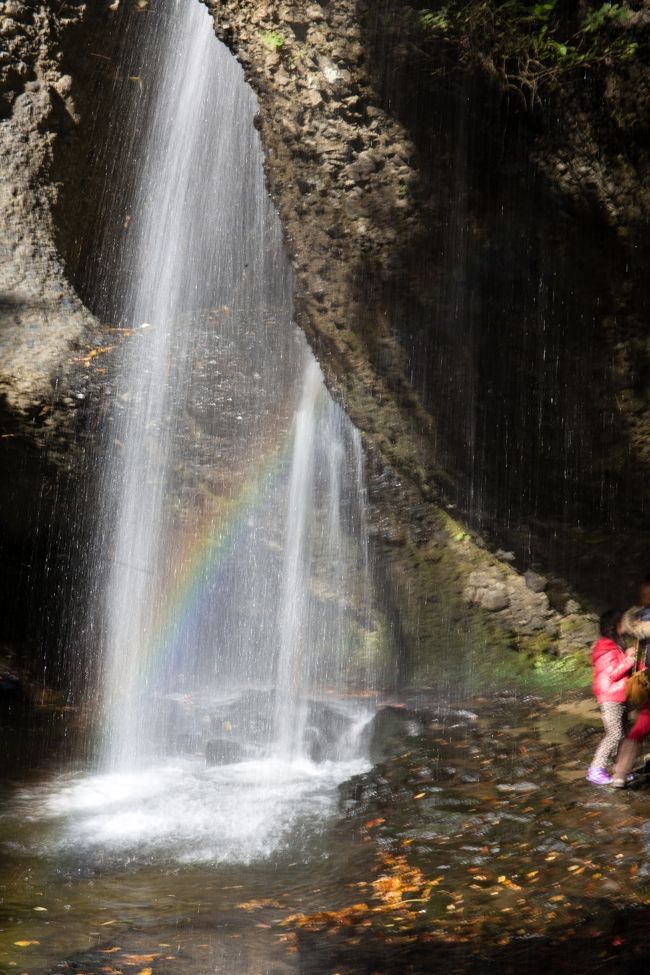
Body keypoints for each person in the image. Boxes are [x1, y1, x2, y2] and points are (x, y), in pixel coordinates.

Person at [587, 609, 636, 786]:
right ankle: (596, 769)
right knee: (614, 734)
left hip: (619, 694)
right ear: (614, 626)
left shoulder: (614, 645)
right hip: (610, 696)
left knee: (622, 733)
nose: (625, 626)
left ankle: (619, 770)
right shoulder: (605, 647)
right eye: (622, 623)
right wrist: (629, 659)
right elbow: (613, 673)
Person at [610, 578, 650, 788]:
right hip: (648, 678)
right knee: (640, 728)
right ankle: (619, 774)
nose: (645, 597)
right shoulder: (642, 615)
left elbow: (631, 627)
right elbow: (628, 628)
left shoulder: (641, 617)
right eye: (644, 593)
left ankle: (620, 774)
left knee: (639, 729)